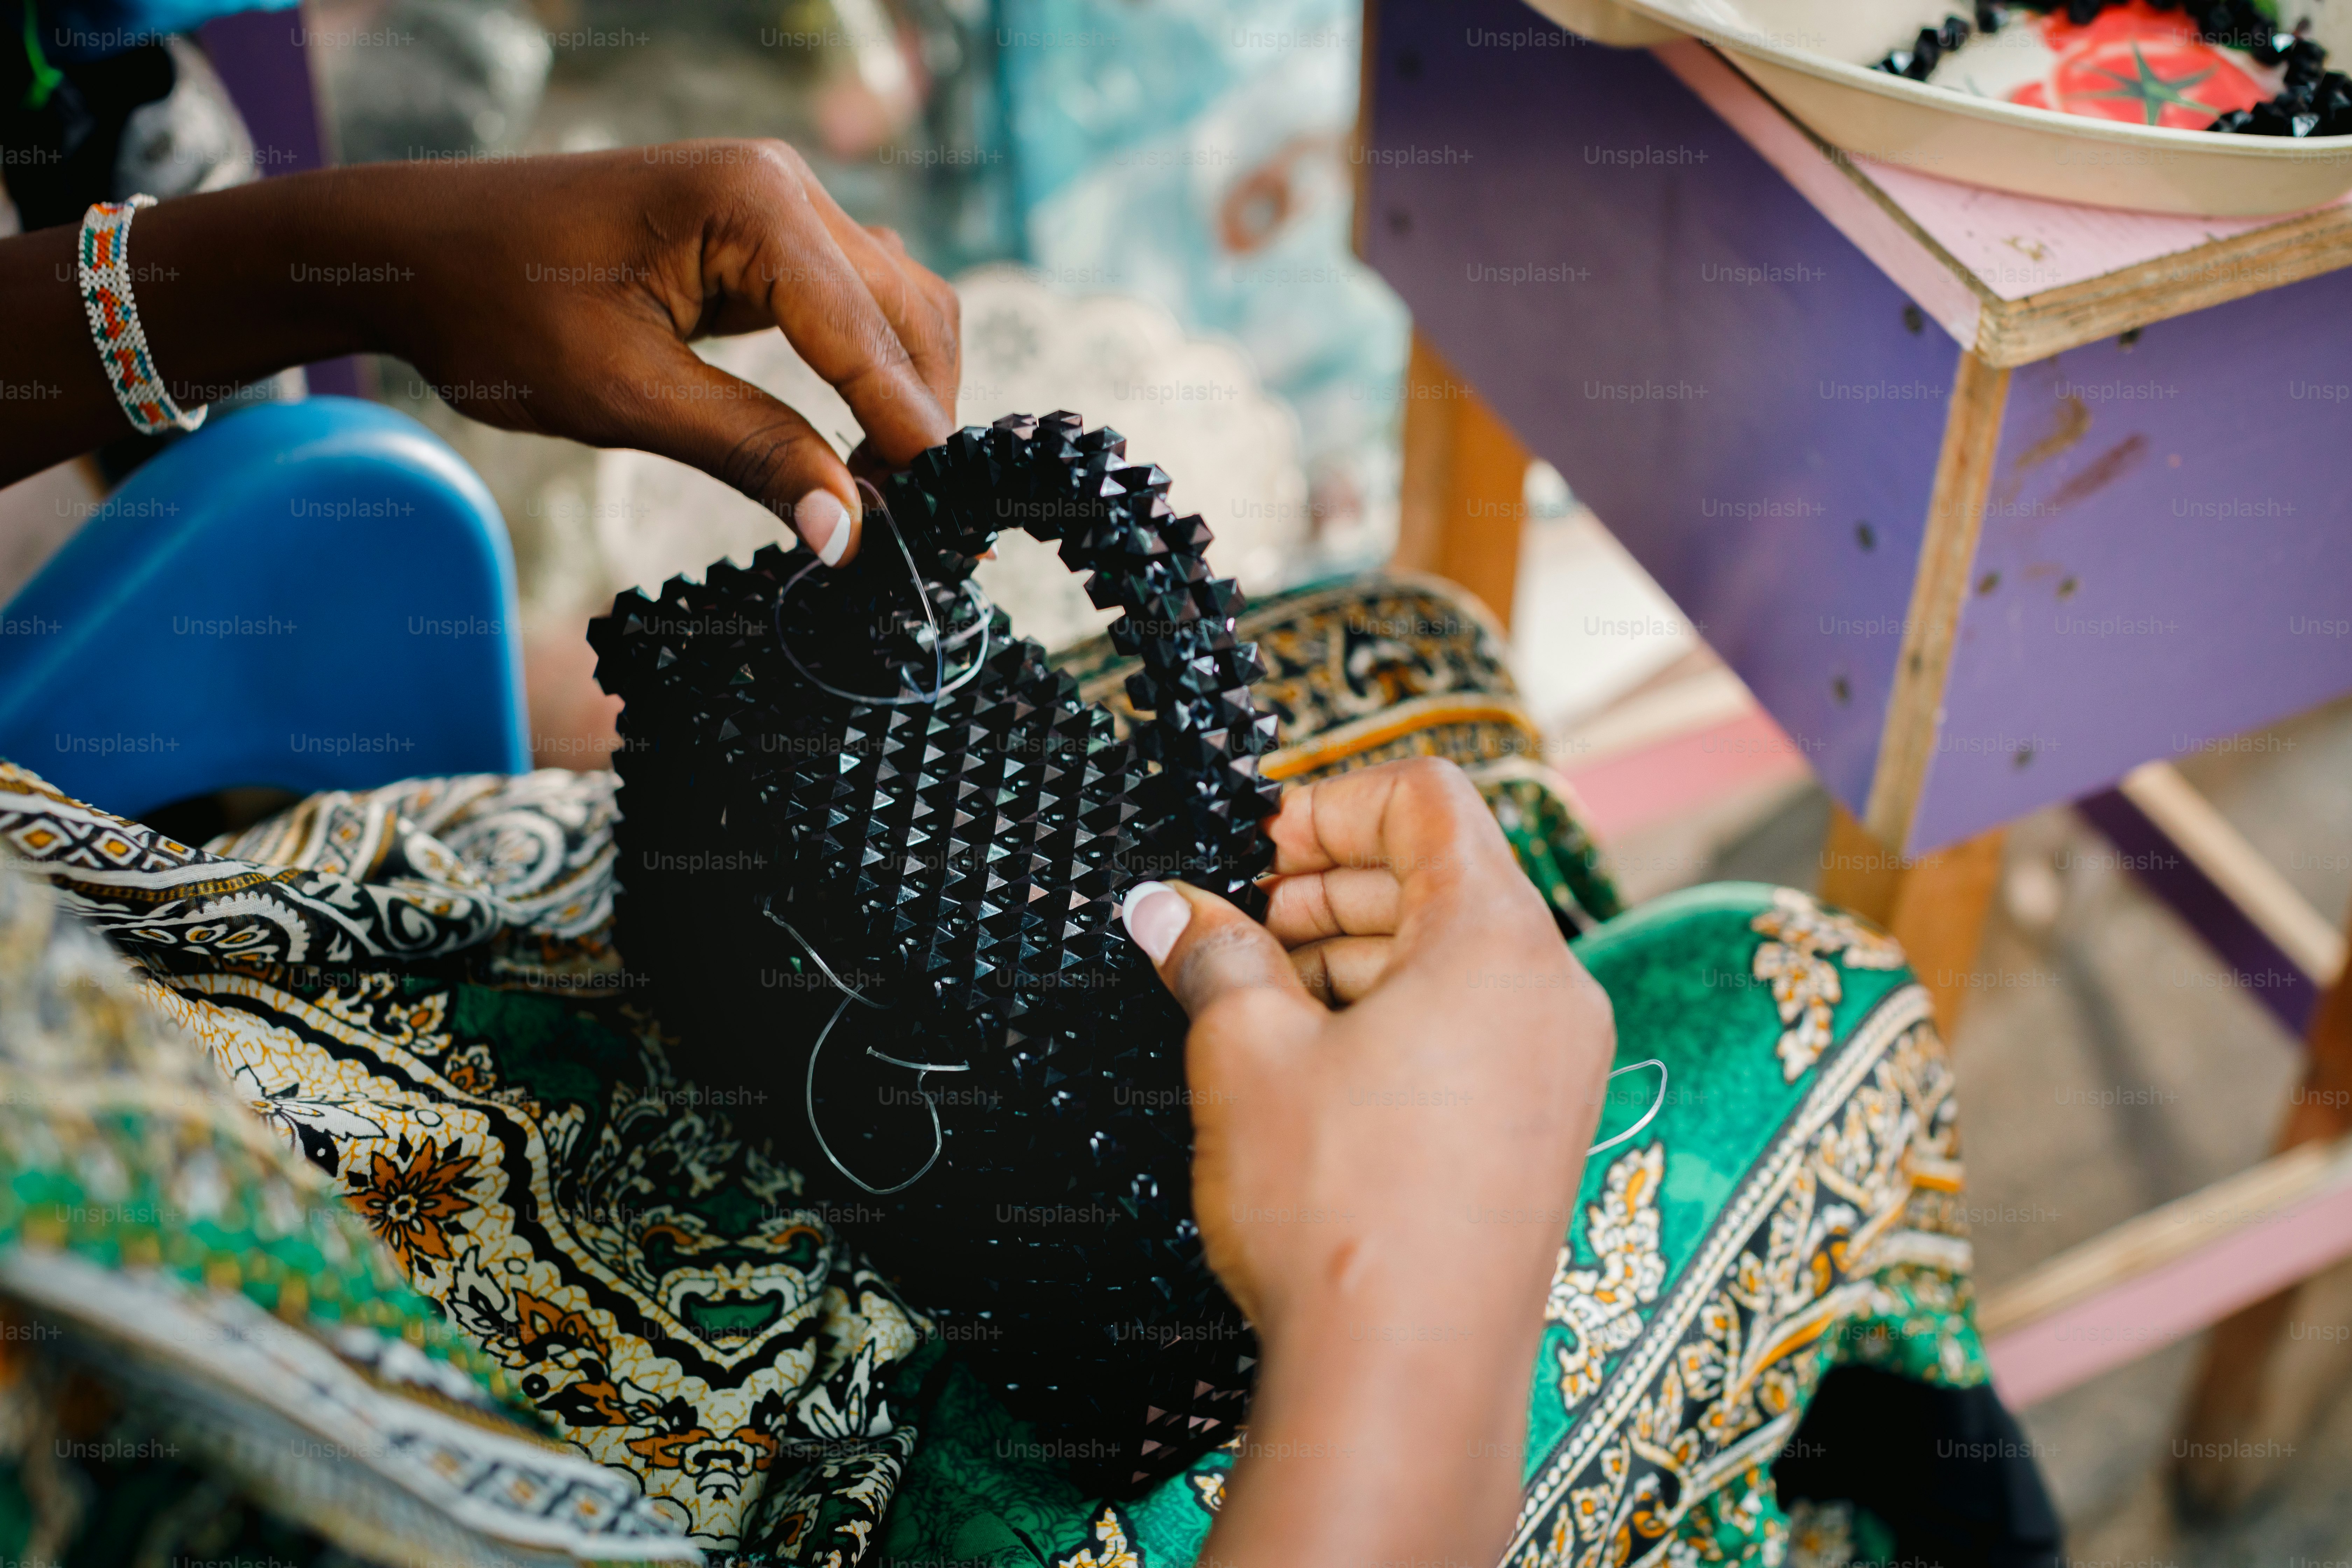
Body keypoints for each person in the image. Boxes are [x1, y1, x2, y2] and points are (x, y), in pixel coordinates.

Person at [0, 146, 2055, 1568]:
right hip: (687, 1443)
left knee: (1416, 685)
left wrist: (296, 264)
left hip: (268, 982)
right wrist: (1411, 1298)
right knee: (1807, 1013)